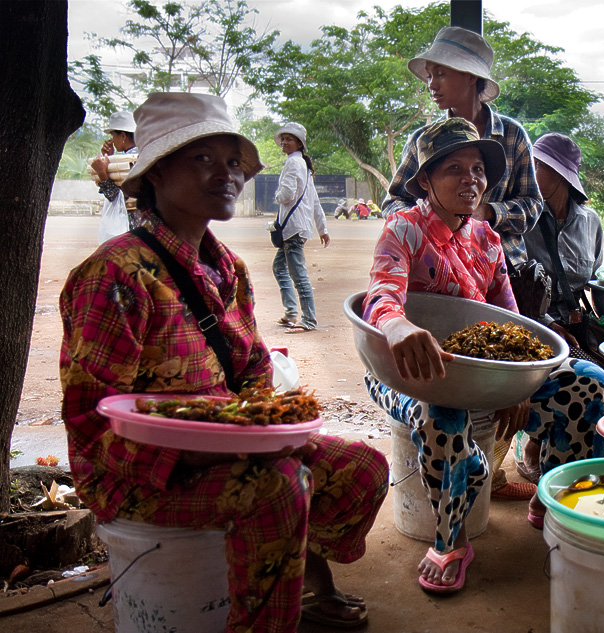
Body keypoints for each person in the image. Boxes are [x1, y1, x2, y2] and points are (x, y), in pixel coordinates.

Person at [60, 92, 388, 632]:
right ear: (156, 174)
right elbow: (91, 421)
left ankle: (290, 578)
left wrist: (266, 428)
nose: (228, 174)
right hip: (139, 471)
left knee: (362, 469)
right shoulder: (116, 275)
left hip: (227, 442)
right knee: (280, 488)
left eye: (233, 161)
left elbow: (253, 368)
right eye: (204, 159)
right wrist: (195, 454)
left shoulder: (228, 268)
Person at [362, 118, 604, 594]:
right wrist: (401, 327)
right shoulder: (403, 229)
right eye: (453, 168)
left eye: (478, 168)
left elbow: (513, 326)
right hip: (405, 371)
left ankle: (557, 494)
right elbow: (381, 296)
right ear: (424, 181)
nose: (470, 179)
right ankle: (451, 539)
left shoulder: (487, 240)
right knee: (440, 411)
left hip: (484, 371)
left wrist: (516, 381)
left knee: (588, 382)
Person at [381, 26, 544, 501]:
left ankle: (492, 470)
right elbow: (397, 200)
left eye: (441, 73)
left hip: (497, 270)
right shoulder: (422, 140)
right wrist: (429, 227)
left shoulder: (511, 136)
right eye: (429, 74)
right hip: (434, 281)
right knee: (448, 390)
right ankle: (463, 494)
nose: (431, 83)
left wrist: (484, 217)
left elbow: (531, 206)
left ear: (472, 79)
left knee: (508, 358)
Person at [517, 132, 604, 485]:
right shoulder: (521, 217)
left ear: (561, 175)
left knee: (597, 372)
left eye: (538, 166)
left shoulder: (590, 222)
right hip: (530, 322)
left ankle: (565, 460)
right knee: (552, 372)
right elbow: (509, 284)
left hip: (572, 322)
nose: (530, 172)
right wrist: (545, 325)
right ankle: (532, 443)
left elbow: (594, 275)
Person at [272, 122, 330, 332]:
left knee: (298, 274)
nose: (285, 142)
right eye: (284, 139)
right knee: (279, 268)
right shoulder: (302, 165)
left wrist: (276, 196)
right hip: (297, 228)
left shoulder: (293, 164)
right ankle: (290, 313)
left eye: (290, 139)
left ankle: (309, 320)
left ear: (299, 143)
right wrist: (322, 228)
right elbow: (314, 200)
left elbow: (286, 195)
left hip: (292, 229)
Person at [90, 110, 138, 243]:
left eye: (113, 135)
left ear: (122, 136)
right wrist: (111, 158)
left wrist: (103, 174)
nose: (111, 140)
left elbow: (116, 197)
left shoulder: (131, 161)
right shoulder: (144, 154)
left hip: (132, 225)